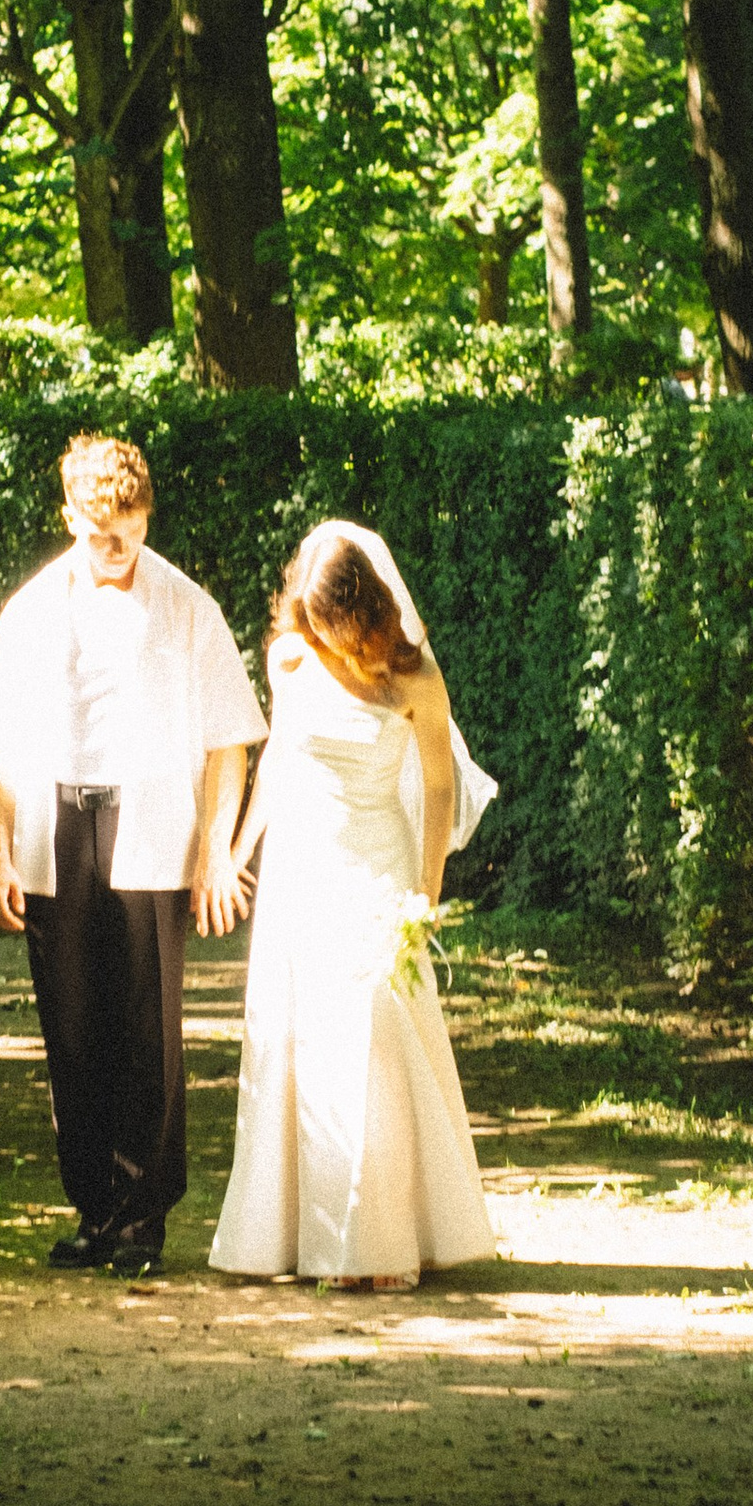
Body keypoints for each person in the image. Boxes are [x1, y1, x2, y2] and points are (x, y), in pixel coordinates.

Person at [0, 435, 265, 1277]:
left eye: (131, 528)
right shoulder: (32, 609)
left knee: (148, 1024)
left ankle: (143, 1216)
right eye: (100, 530)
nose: (117, 545)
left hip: (151, 824)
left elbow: (228, 740)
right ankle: (94, 1208)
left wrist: (215, 852)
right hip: (54, 823)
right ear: (69, 517)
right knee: (71, 1022)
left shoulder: (185, 606)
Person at [208, 522, 497, 1288]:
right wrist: (235, 853)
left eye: (336, 628)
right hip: (304, 867)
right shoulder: (291, 656)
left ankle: (383, 1241)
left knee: (373, 1040)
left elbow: (438, 789)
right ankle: (318, 1241)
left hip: (379, 868)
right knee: (310, 1049)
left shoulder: (414, 679)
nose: (326, 643)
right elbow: (280, 756)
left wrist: (424, 898)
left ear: (363, 612)